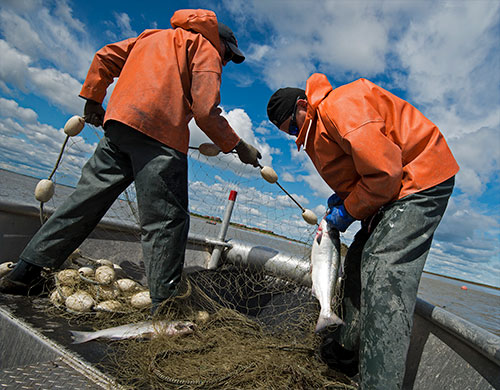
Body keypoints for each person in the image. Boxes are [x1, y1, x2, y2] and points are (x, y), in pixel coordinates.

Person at [0, 9, 261, 312]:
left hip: (119, 127)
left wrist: (94, 99)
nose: (226, 62)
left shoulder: (150, 37)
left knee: (83, 203)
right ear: (221, 43)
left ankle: (25, 273)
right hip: (161, 136)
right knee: (166, 221)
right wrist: (238, 145)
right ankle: (165, 307)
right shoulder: (206, 49)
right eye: (229, 56)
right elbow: (204, 110)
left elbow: (104, 57)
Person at [267, 73, 459, 390]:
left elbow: (384, 174)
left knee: (383, 271)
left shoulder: (339, 106)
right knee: (356, 262)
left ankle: (378, 382)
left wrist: (347, 211)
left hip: (420, 179)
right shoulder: (316, 128)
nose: (293, 134)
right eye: (287, 133)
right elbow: (363, 170)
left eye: (292, 126)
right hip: (390, 191)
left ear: (303, 105)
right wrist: (344, 198)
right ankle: (346, 351)